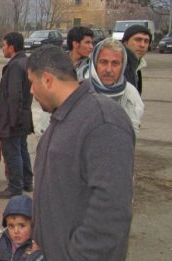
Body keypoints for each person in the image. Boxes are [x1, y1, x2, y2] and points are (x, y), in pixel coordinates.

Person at [28, 45, 135, 260]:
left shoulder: (103, 121)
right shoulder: (63, 117)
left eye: (32, 83)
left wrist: (78, 255)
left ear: (48, 80)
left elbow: (111, 210)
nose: (31, 91)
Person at [0, 32, 34, 199]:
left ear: (11, 47)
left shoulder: (16, 66)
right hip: (23, 115)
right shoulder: (26, 62)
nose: (2, 48)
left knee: (12, 152)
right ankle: (26, 181)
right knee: (22, 149)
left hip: (14, 117)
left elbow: (15, 95)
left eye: (4, 45)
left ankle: (15, 187)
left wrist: (13, 120)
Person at [77, 38, 144, 135]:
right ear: (94, 63)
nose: (109, 69)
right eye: (103, 62)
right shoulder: (76, 87)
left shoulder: (130, 95)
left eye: (115, 63)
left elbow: (130, 136)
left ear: (123, 66)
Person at [0, 195, 44, 261]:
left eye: (21, 225)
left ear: (32, 226)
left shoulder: (37, 249)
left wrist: (34, 256)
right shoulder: (3, 243)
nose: (16, 231)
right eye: (11, 226)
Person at [122, 24, 152, 95]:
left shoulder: (136, 63)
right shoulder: (118, 65)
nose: (142, 45)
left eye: (146, 41)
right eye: (138, 40)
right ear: (125, 43)